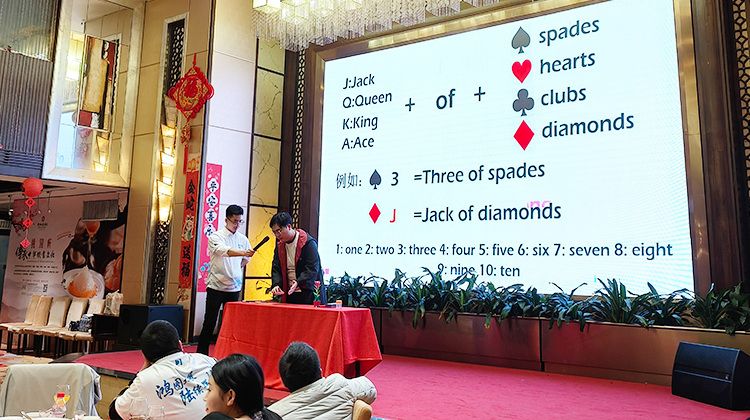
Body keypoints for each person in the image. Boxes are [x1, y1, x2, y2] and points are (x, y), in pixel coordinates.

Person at [110, 320, 217, 420]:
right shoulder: (208, 361)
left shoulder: (145, 379)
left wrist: (141, 372)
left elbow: (114, 414)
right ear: (180, 345)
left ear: (145, 357)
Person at [197, 205, 255, 355]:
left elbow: (245, 260)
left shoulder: (243, 239)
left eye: (240, 221)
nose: (237, 224)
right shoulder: (216, 237)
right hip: (216, 286)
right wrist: (243, 253)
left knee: (230, 324)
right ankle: (201, 354)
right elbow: (224, 251)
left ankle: (225, 353)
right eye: (235, 221)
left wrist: (235, 270)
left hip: (234, 288)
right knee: (210, 321)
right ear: (226, 220)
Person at [268, 342, 376, 420]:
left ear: (284, 383)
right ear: (320, 372)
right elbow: (370, 388)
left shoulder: (273, 413)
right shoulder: (341, 385)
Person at [201, 353, 282, 420]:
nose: (205, 398)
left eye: (210, 389)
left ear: (230, 397)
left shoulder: (214, 418)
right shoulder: (273, 417)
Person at [269, 212, 323, 304]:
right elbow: (276, 267)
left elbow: (312, 268)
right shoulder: (280, 246)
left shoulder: (308, 243)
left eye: (279, 231)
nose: (277, 235)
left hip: (307, 293)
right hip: (290, 292)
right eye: (274, 232)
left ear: (289, 226)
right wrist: (276, 285)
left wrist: (299, 282)